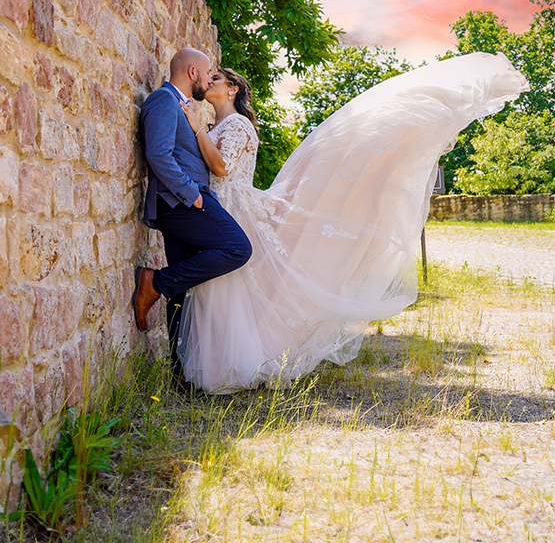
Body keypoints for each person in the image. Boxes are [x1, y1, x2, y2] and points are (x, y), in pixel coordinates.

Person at [176, 52, 528, 393]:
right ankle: (223, 361)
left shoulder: (236, 124)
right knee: (232, 288)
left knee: (234, 286)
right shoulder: (220, 124)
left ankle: (231, 364)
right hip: (225, 206)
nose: (210, 81)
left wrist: (195, 130)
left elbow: (221, 167)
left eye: (217, 78)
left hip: (236, 208)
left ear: (232, 90)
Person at [133, 48, 252, 384]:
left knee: (183, 287)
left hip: (183, 202)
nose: (208, 76)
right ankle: (154, 282)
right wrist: (193, 195)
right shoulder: (163, 100)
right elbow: (158, 154)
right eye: (206, 71)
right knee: (237, 248)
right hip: (180, 202)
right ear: (192, 72)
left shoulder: (183, 107)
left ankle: (181, 374)